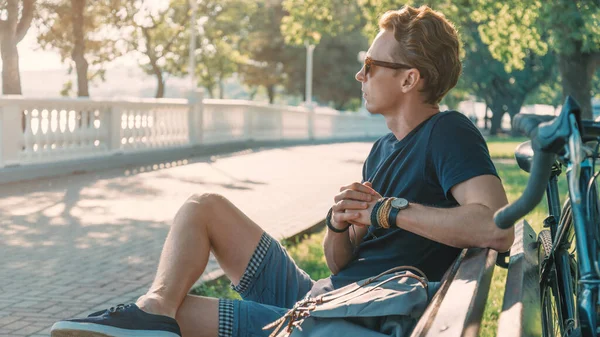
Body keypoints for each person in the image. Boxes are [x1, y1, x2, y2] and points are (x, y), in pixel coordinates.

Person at [50, 5, 512, 337]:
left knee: (173, 318)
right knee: (201, 209)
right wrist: (339, 226)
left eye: (370, 66)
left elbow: (494, 227)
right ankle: (151, 311)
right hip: (323, 295)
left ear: (410, 79)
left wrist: (388, 211)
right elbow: (340, 262)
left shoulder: (447, 133)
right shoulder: (382, 149)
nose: (360, 76)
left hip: (341, 319)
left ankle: (151, 317)